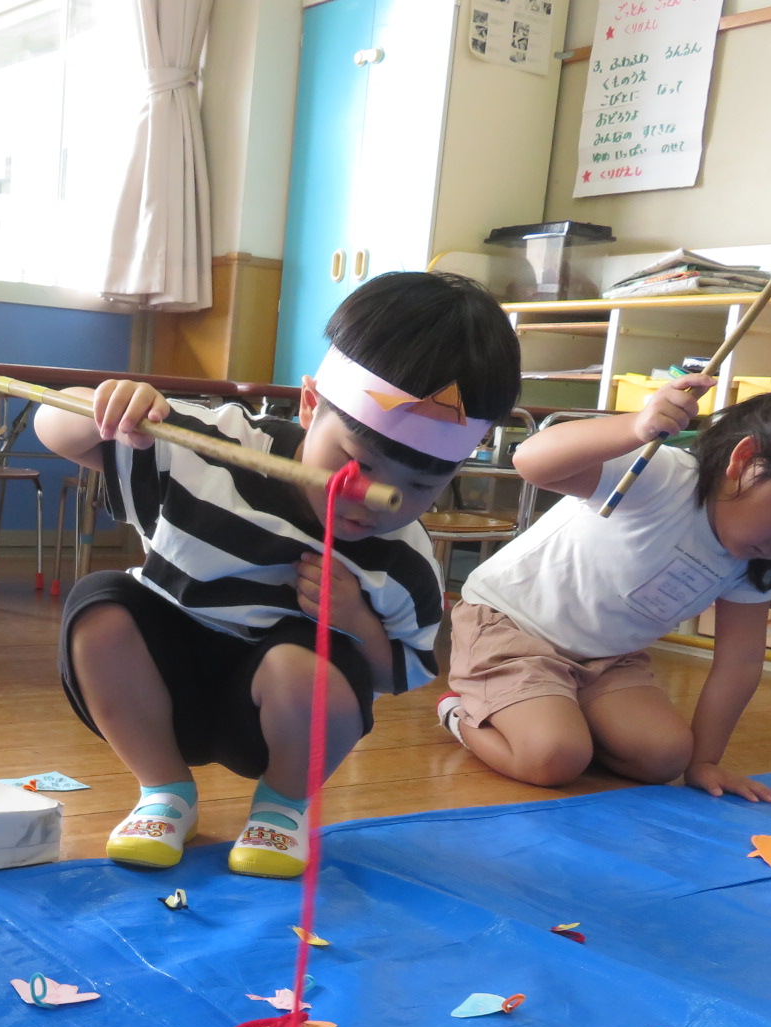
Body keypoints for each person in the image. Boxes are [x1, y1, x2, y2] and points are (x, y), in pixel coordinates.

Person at [35, 271, 520, 877]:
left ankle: (282, 810)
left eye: (421, 485)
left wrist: (355, 621)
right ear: (311, 404)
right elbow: (54, 432)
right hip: (162, 688)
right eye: (356, 463)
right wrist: (105, 404)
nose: (375, 499)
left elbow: (399, 672)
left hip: (278, 721)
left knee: (303, 665)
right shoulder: (213, 446)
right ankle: (164, 793)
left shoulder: (404, 557)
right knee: (99, 609)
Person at [438, 380, 771, 800]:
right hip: (511, 627)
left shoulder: (757, 558)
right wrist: (634, 427)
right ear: (745, 459)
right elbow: (532, 461)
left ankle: (553, 708)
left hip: (607, 658)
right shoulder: (663, 475)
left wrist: (705, 761)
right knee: (554, 758)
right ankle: (458, 711)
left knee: (665, 757)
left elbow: (740, 661)